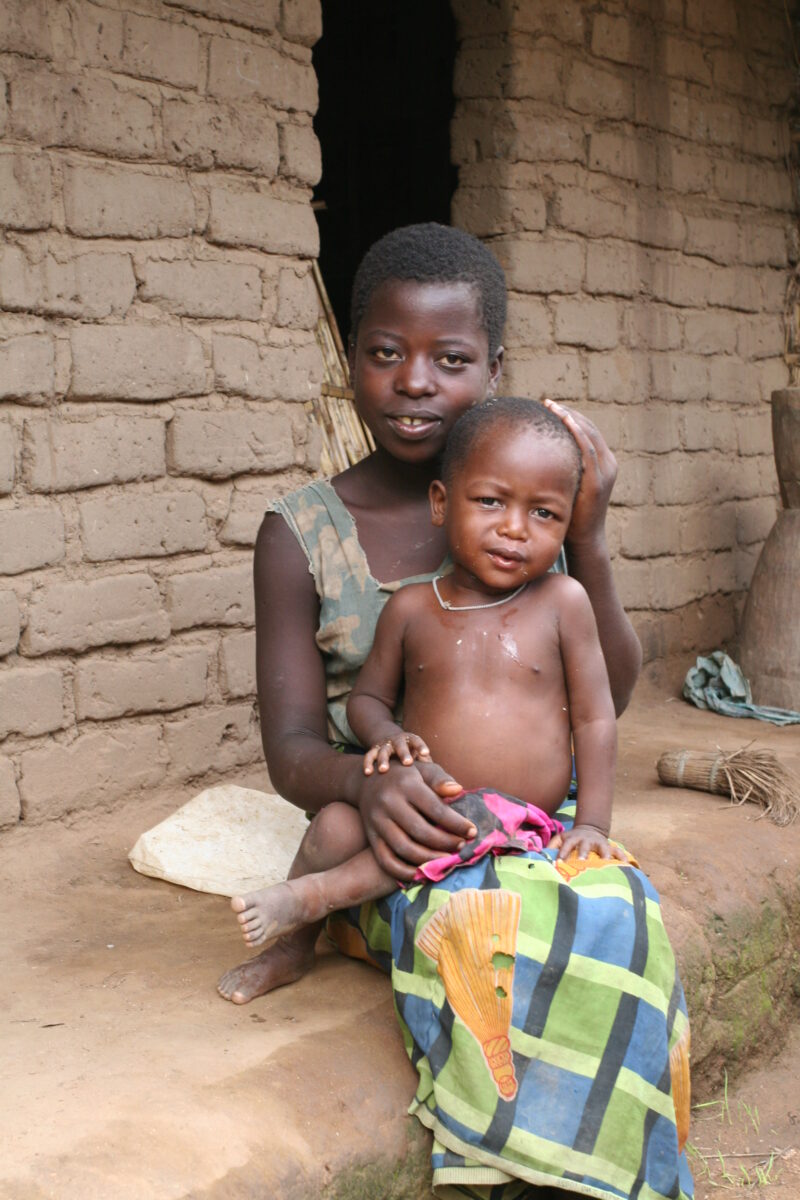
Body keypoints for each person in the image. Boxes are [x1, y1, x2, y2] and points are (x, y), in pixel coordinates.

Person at [217, 224, 692, 1200]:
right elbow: (294, 747)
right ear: (346, 363)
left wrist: (589, 544)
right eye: (385, 354)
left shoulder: (527, 508)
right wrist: (369, 779)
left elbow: (611, 696)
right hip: (394, 824)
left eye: (450, 358)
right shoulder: (299, 535)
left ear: (494, 369)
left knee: (610, 919)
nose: (415, 381)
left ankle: (592, 1166)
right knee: (476, 921)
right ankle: (503, 1166)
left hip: (519, 825)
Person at [228, 397, 627, 952]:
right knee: (335, 828)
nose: (515, 529)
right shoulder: (413, 609)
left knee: (455, 831)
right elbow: (365, 700)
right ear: (441, 503)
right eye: (490, 502)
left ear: (569, 522)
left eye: (545, 514)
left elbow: (595, 717)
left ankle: (314, 897)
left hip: (513, 815)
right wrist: (386, 737)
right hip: (421, 799)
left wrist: (593, 826)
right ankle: (291, 947)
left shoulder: (564, 600)